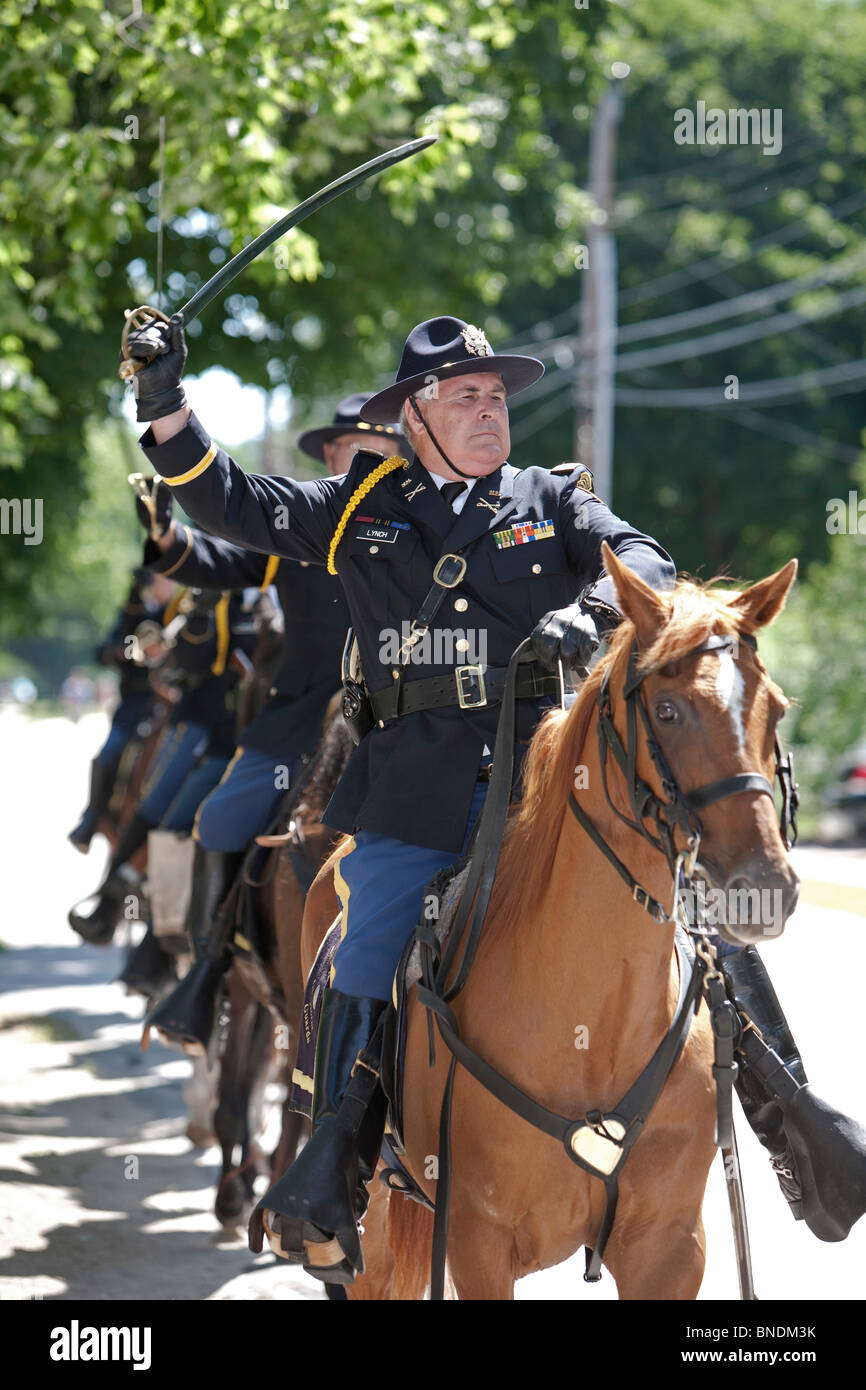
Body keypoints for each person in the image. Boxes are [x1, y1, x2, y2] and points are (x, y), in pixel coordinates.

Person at [123, 311, 866, 1283]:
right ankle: (333, 1161)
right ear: (415, 415)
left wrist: (588, 607)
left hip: (549, 784)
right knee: (371, 929)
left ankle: (793, 1124)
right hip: (414, 793)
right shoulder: (362, 509)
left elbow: (641, 558)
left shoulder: (548, 499)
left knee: (705, 923)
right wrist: (162, 399)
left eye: (495, 397)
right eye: (464, 398)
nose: (487, 412)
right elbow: (227, 499)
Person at [139, 395, 406, 1051]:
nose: (365, 457)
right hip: (298, 722)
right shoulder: (298, 520)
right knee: (223, 818)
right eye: (350, 447)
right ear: (330, 457)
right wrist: (167, 536)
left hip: (401, 720)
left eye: (381, 446)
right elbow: (213, 562)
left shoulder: (418, 523)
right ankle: (207, 967)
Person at [68, 584, 257, 947]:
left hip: (256, 723)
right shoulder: (198, 592)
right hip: (200, 715)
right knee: (152, 801)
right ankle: (112, 898)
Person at [68, 569, 176, 853]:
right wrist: (126, 650)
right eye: (160, 577)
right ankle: (93, 816)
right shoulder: (136, 615)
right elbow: (103, 652)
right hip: (136, 703)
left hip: (181, 702)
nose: (165, 583)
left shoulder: (184, 614)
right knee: (109, 754)